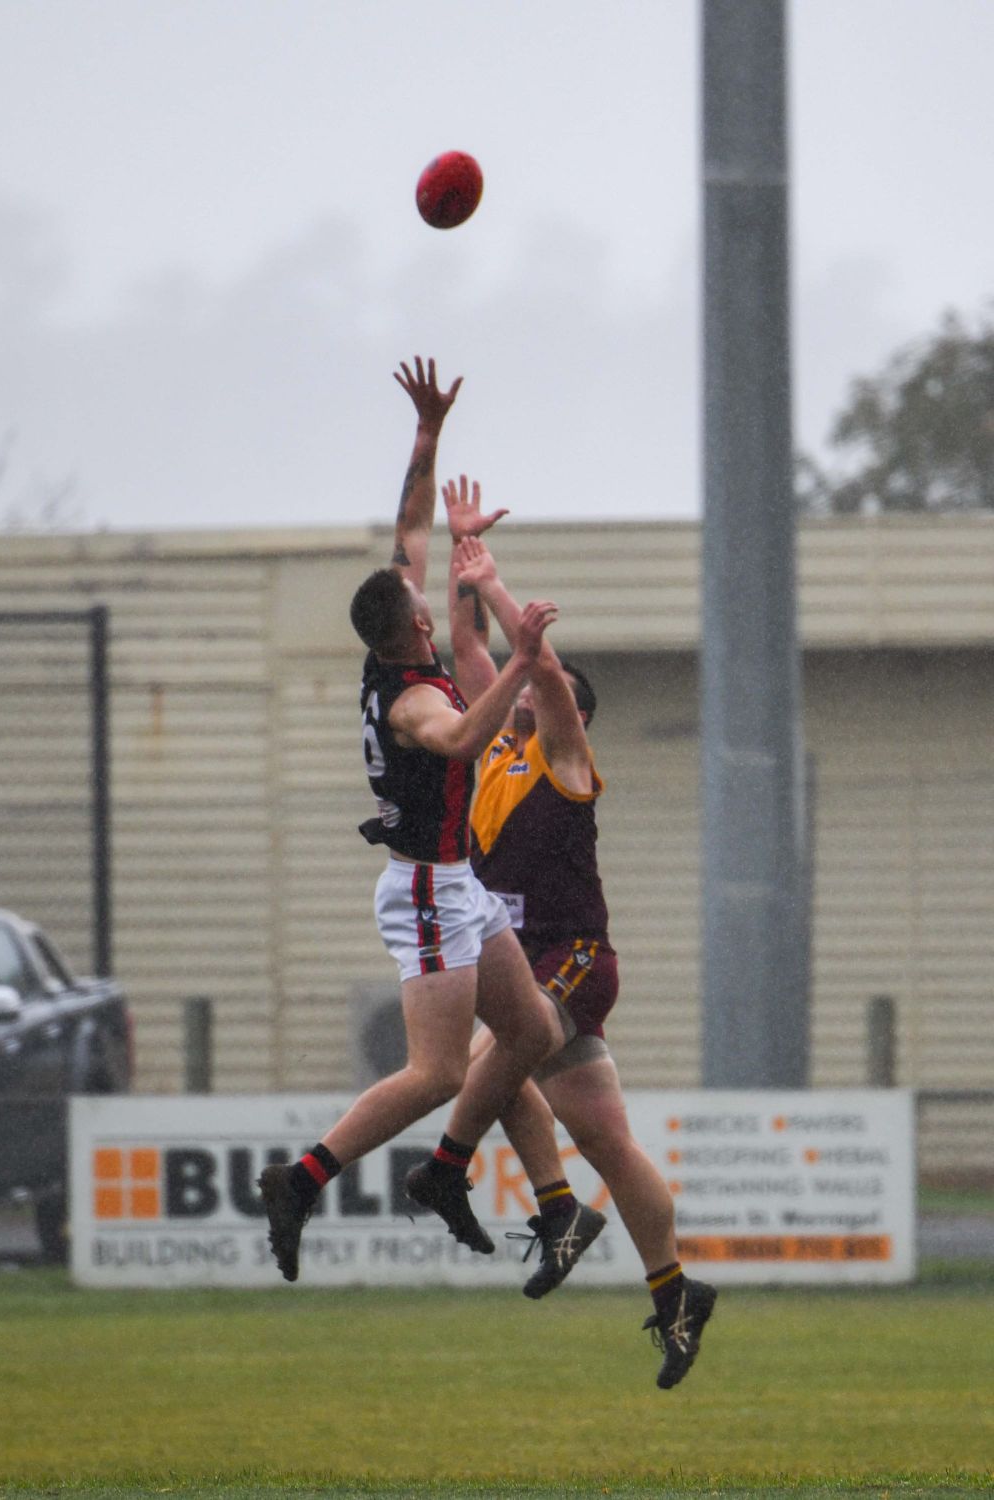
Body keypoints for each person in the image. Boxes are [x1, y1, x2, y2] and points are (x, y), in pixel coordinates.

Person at [258, 359, 570, 1281]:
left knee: (529, 1035)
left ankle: (477, 1183)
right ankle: (304, 1177)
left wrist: (428, 432)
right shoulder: (409, 703)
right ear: (407, 634)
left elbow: (408, 523)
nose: (433, 611)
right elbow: (467, 736)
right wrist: (522, 661)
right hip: (427, 893)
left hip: (458, 884)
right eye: (424, 613)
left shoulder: (397, 629)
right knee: (435, 1072)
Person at [431, 479, 717, 1391]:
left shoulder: (565, 756)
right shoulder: (500, 744)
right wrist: (463, 554)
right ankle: (676, 1290)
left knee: (496, 1051)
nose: (518, 692)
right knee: (604, 1138)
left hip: (573, 959)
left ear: (574, 720)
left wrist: (512, 600)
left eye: (544, 690)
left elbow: (539, 670)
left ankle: (472, 1177)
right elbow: (470, 642)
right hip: (521, 961)